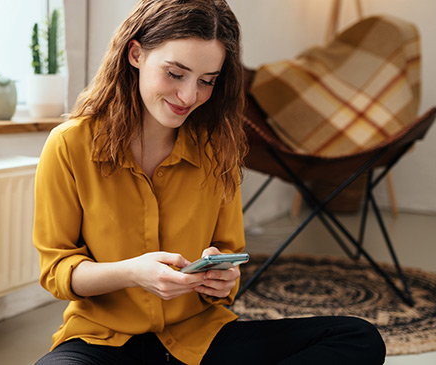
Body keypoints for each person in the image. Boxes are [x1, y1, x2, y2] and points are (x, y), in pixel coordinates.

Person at [32, 0, 386, 364]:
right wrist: (132, 273)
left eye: (206, 82)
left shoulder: (217, 151)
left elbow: (226, 257)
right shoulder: (70, 144)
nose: (189, 96)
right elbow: (58, 272)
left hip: (199, 339)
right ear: (136, 54)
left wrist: (221, 278)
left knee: (358, 338)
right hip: (101, 341)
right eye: (175, 73)